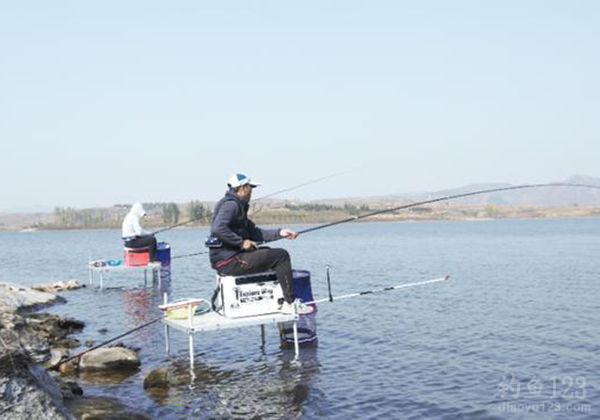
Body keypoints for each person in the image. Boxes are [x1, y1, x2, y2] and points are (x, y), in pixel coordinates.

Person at [208, 173, 306, 313]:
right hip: (229, 261)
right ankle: (289, 303)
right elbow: (218, 228)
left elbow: (255, 233)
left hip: (227, 259)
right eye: (250, 187)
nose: (252, 191)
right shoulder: (232, 205)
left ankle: (276, 298)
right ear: (242, 188)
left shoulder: (236, 206)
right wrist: (241, 243)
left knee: (268, 252)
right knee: (281, 256)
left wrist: (280, 232)